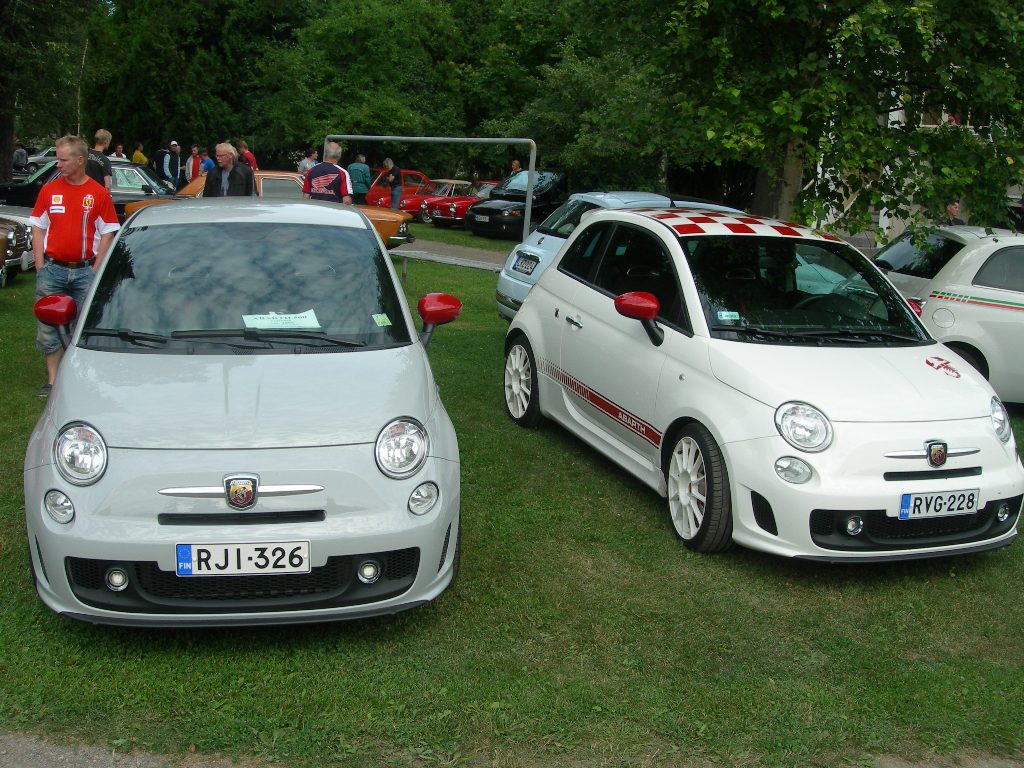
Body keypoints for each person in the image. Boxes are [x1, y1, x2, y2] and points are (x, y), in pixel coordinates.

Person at [29, 135, 120, 398]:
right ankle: (52, 380)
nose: (58, 165)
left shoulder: (98, 194)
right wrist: (39, 266)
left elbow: (108, 232)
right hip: (52, 270)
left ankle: (80, 377)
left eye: (63, 160)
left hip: (84, 271)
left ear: (80, 161)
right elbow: (38, 227)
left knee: (84, 325)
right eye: (58, 159)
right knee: (48, 326)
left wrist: (96, 268)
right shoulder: (50, 190)